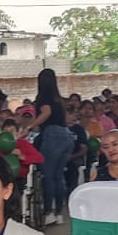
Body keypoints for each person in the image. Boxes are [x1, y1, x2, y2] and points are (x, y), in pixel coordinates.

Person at [32, 68, 74, 225]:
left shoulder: (44, 97)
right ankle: (59, 213)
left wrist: (30, 126)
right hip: (66, 136)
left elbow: (46, 113)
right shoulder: (58, 99)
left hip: (52, 135)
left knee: (48, 175)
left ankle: (49, 211)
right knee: (58, 176)